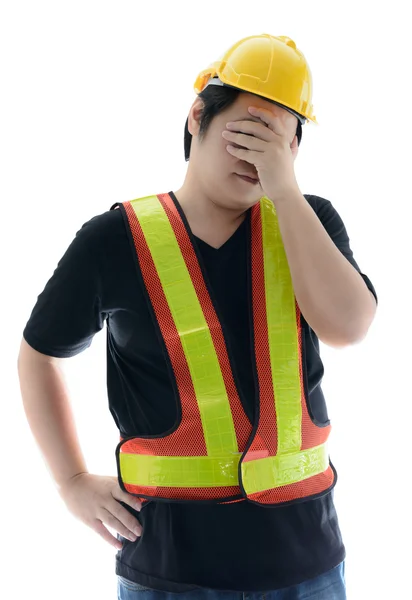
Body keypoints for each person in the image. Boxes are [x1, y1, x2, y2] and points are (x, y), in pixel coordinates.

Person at [18, 33, 378, 600]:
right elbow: (39, 354)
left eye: (279, 144)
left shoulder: (308, 224)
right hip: (169, 572)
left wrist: (286, 192)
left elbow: (349, 326)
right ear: (198, 118)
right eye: (248, 133)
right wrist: (70, 481)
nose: (259, 156)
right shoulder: (112, 241)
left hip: (309, 566)